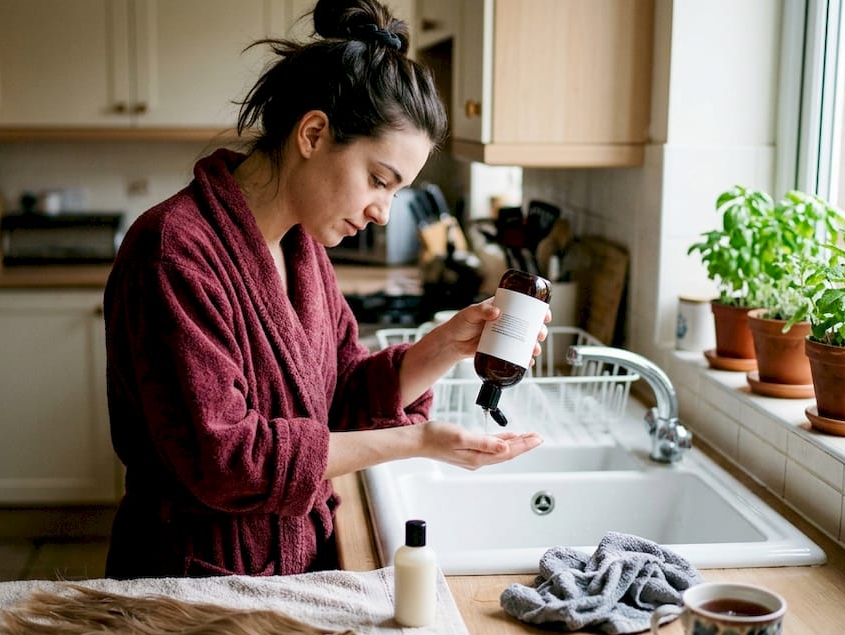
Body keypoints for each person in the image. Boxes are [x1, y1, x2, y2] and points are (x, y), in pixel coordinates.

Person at [103, 0, 546, 579]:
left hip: (292, 569)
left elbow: (338, 397)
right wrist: (418, 441)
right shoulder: (173, 251)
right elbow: (228, 460)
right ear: (313, 134)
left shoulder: (302, 247)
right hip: (194, 585)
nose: (384, 212)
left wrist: (446, 345)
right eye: (379, 180)